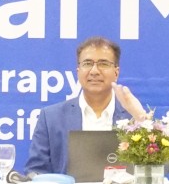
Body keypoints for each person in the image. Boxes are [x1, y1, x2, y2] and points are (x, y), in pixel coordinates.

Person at [24, 37, 144, 174]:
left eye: (103, 64)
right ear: (78, 71)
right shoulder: (51, 117)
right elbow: (35, 171)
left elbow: (159, 165)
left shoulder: (133, 117)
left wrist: (142, 119)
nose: (94, 71)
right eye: (87, 64)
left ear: (116, 72)